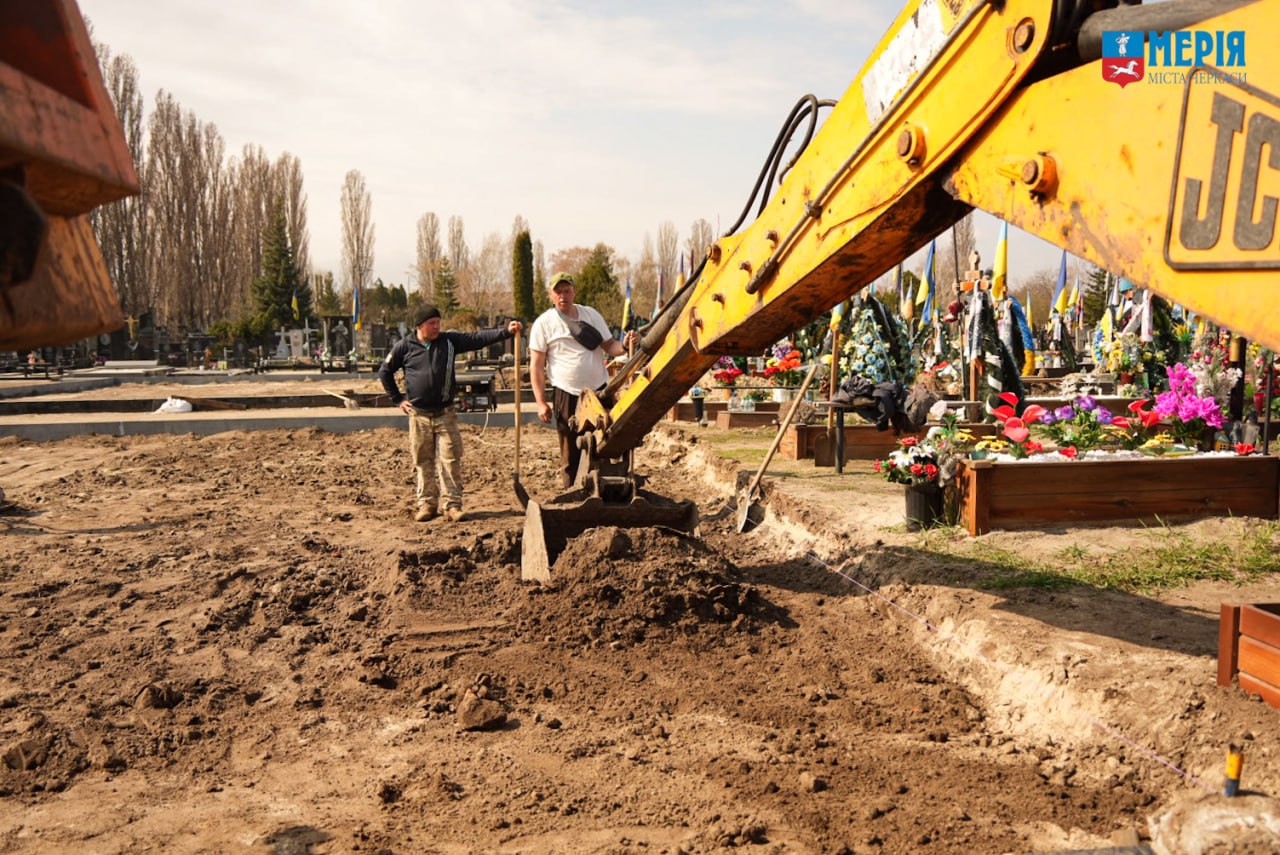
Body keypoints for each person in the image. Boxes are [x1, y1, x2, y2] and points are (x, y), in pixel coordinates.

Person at [379, 304, 522, 522]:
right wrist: (398, 399)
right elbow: (385, 371)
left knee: (450, 459)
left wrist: (504, 332)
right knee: (423, 460)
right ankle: (427, 504)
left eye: (438, 322)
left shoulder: (449, 342)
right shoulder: (404, 347)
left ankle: (452, 505)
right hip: (419, 416)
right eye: (431, 323)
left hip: (445, 414)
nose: (436, 327)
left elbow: (476, 338)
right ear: (419, 325)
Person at [529, 273, 637, 488]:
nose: (563, 296)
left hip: (600, 391)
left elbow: (610, 346)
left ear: (574, 292)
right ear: (551, 295)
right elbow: (537, 367)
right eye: (558, 292)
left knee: (605, 442)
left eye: (567, 291)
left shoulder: (591, 315)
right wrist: (541, 402)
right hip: (566, 393)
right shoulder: (544, 324)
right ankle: (572, 491)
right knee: (570, 448)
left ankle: (605, 488)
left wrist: (624, 345)